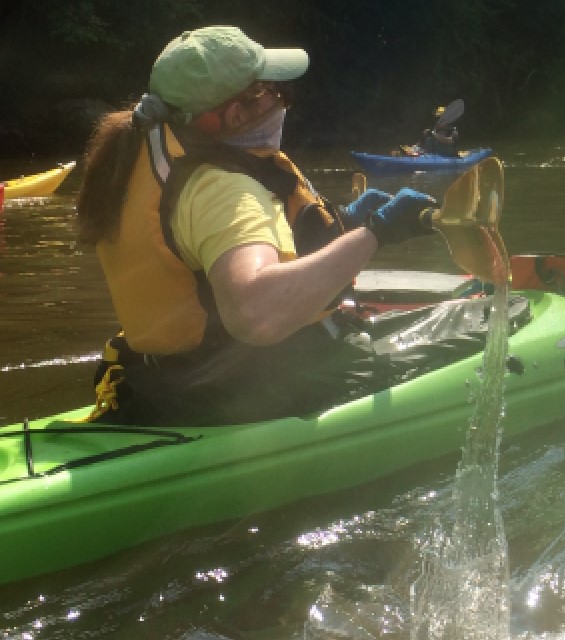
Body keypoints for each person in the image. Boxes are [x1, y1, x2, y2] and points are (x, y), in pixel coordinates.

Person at [75, 26, 440, 426]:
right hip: (241, 391)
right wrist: (378, 233)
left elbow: (196, 250)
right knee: (492, 322)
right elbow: (256, 314)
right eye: (274, 92)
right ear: (236, 114)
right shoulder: (226, 191)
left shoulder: (142, 149)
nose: (283, 101)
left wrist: (346, 227)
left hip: (162, 384)